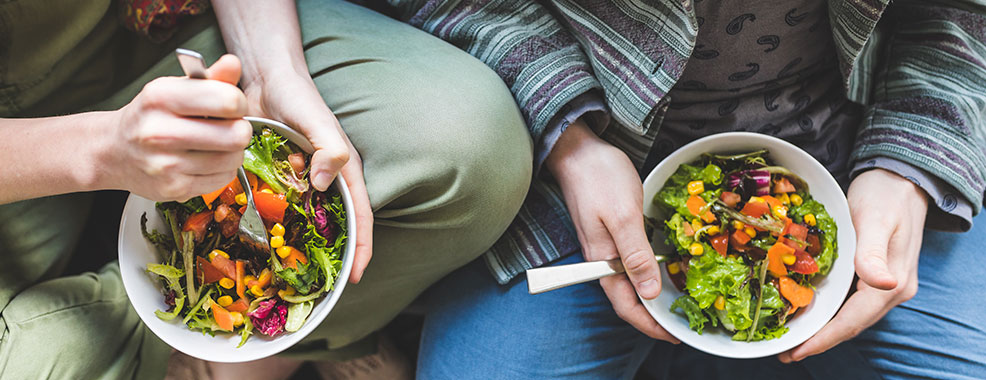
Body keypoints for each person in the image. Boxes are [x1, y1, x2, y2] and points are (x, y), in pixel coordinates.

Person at [374, 0, 986, 378]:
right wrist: (573, 146)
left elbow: (959, 13)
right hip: (570, 176)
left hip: (854, 161)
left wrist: (909, 166)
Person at [0, 0, 532, 378]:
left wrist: (270, 72)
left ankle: (229, 357)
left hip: (148, 34)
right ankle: (175, 356)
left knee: (473, 148)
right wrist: (98, 150)